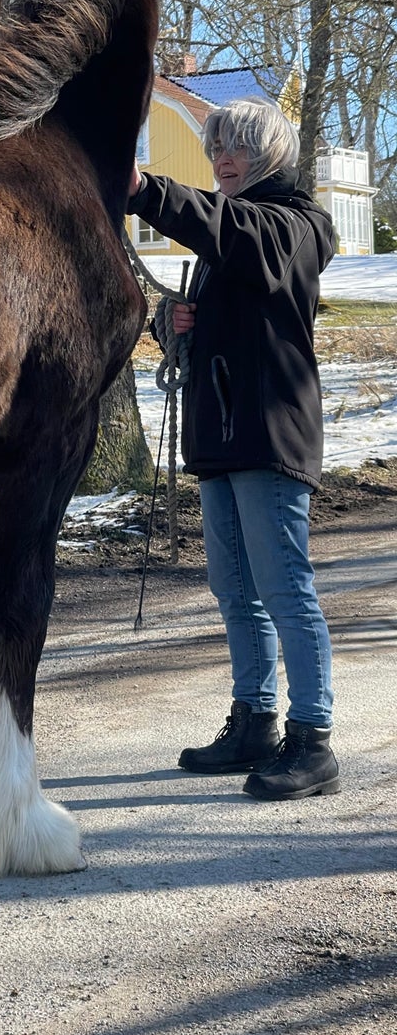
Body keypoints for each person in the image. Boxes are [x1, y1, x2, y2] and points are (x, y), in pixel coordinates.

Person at [128, 96, 340, 800]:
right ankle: (256, 722)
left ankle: (313, 742)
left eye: (237, 148)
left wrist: (141, 189)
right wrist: (175, 318)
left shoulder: (297, 226)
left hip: (270, 431)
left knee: (285, 590)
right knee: (235, 591)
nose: (223, 158)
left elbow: (232, 230)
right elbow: (222, 289)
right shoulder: (239, 233)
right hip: (220, 434)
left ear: (270, 155)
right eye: (217, 146)